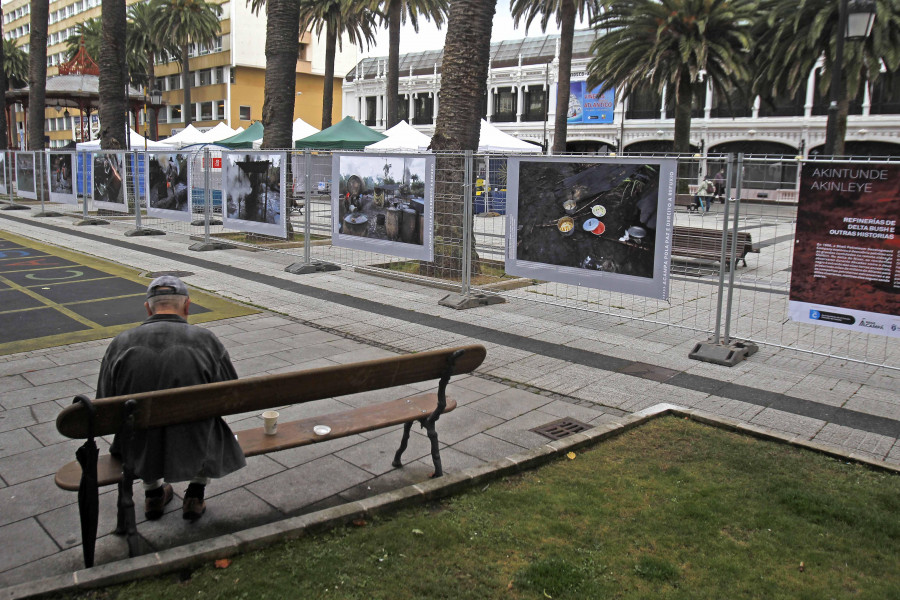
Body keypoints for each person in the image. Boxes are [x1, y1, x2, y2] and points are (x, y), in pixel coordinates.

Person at [98, 276, 246, 521]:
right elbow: (231, 394)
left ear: (148, 308)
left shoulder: (120, 344)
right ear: (187, 306)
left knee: (138, 426)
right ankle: (195, 494)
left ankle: (153, 494)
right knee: (209, 421)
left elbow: (104, 401)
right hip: (196, 442)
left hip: (140, 446)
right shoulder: (206, 340)